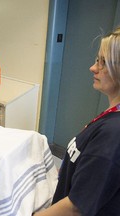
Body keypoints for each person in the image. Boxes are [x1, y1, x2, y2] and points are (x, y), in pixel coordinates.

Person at [33, 27, 120, 215]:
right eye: (98, 60)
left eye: (103, 63)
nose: (93, 67)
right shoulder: (111, 115)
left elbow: (76, 207)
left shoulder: (113, 133)